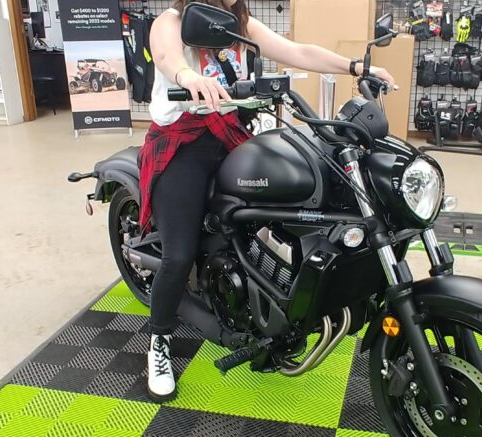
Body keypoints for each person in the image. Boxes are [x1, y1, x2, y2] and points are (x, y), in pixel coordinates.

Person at [140, 0, 395, 402]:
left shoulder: (242, 23)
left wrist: (356, 67)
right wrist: (188, 75)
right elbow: (168, 54)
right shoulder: (172, 21)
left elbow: (297, 51)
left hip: (232, 136)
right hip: (184, 144)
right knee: (179, 253)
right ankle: (158, 343)